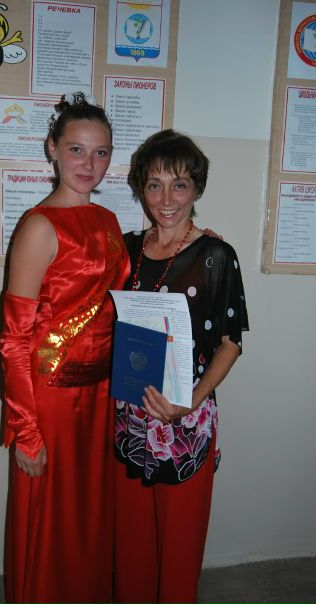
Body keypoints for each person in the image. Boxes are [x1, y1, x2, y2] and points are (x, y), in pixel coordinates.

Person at [0, 92, 130, 604]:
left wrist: (194, 236)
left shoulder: (108, 221)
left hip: (100, 396)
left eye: (101, 152)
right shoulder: (39, 226)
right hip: (50, 401)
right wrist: (26, 429)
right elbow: (13, 339)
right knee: (51, 521)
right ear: (51, 148)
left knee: (90, 519)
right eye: (76, 149)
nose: (88, 164)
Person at [114, 129, 249, 604]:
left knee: (179, 549)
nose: (167, 199)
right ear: (141, 188)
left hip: (185, 421)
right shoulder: (125, 249)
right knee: (131, 545)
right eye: (155, 185)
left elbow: (230, 344)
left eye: (179, 184)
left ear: (197, 188)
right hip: (130, 415)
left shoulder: (216, 256)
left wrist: (189, 402)